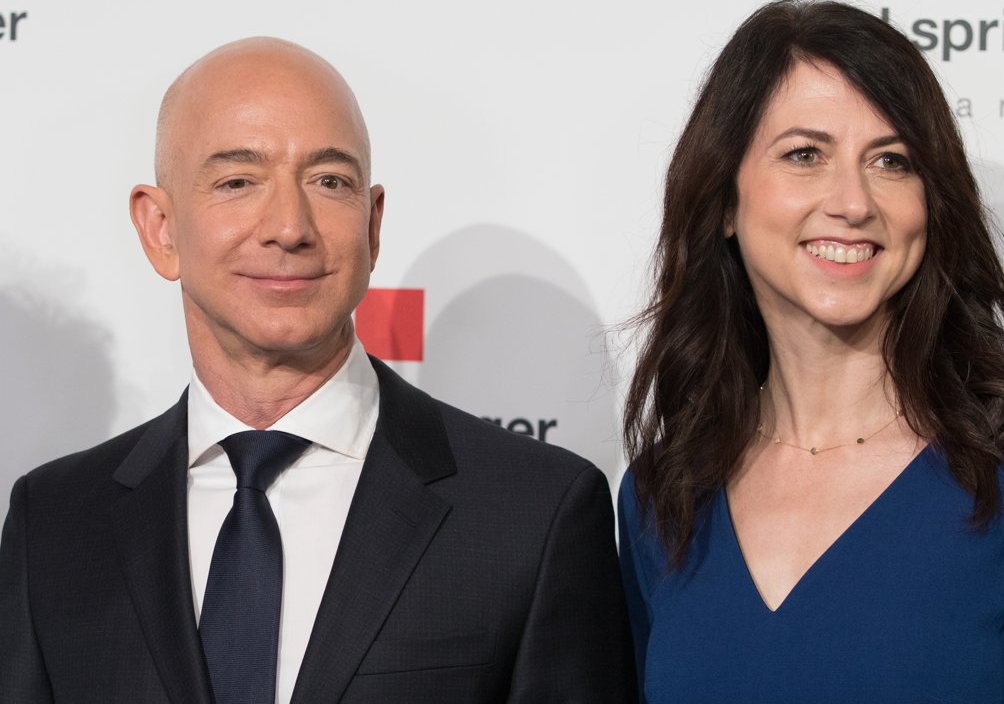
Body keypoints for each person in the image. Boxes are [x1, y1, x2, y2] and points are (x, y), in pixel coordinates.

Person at [0, 37, 635, 703]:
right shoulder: (54, 525)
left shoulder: (533, 514)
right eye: (238, 181)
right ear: (160, 228)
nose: (288, 226)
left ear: (372, 225)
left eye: (329, 181)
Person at [619, 0, 1004, 703]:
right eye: (805, 155)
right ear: (723, 201)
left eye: (891, 161)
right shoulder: (662, 496)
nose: (854, 202)